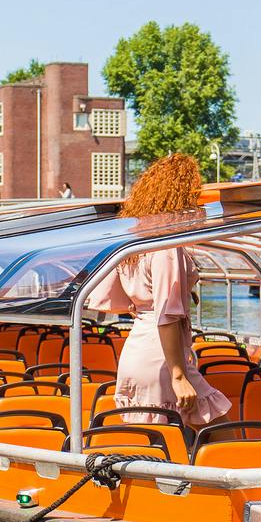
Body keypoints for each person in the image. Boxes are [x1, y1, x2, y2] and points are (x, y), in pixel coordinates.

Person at [85, 153, 230, 429]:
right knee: (219, 431)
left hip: (138, 348)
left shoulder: (134, 242)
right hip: (162, 356)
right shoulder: (166, 245)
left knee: (154, 441)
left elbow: (112, 298)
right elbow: (167, 314)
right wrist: (178, 374)